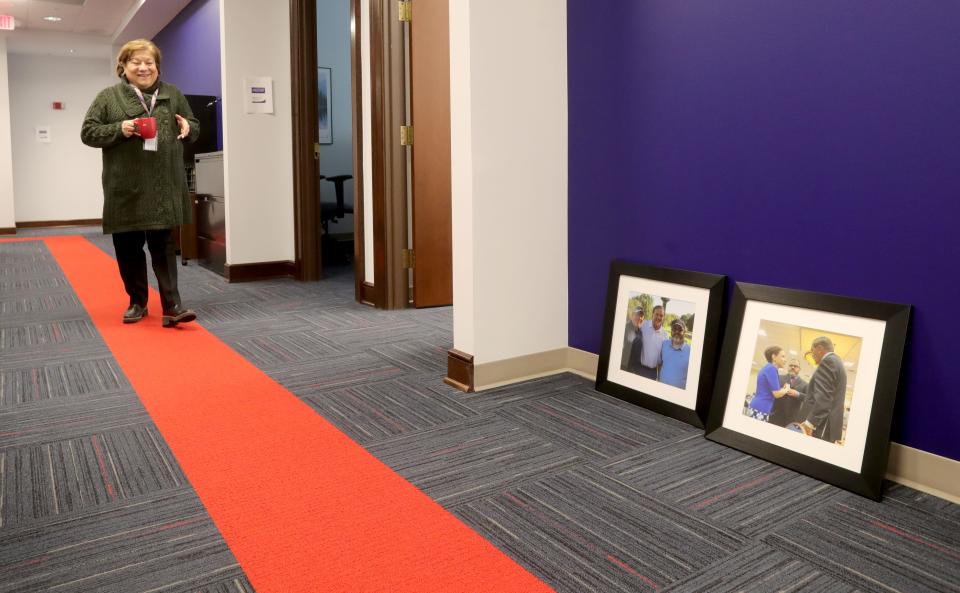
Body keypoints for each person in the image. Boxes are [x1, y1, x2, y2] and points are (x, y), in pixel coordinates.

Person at [81, 39, 200, 328]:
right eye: (137, 62)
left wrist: (188, 126)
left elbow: (193, 126)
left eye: (150, 62)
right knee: (128, 246)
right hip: (125, 186)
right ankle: (137, 302)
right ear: (123, 66)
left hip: (163, 183)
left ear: (157, 66)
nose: (144, 67)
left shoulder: (173, 93)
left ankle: (172, 305)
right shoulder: (108, 97)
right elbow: (88, 133)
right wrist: (119, 128)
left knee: (163, 244)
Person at [798, 337, 847, 443]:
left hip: (820, 427)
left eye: (812, 351)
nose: (812, 355)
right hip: (826, 426)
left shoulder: (828, 362)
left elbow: (823, 399)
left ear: (819, 348)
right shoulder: (836, 361)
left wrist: (809, 423)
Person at [746, 345, 793, 422]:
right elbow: (777, 394)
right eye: (783, 356)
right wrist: (787, 389)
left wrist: (783, 389)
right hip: (761, 408)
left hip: (758, 407)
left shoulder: (768, 368)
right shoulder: (771, 369)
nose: (785, 360)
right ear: (774, 357)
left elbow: (771, 391)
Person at [769, 358, 808, 427]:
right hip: (775, 417)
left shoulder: (805, 384)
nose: (792, 367)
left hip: (792, 420)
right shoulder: (779, 378)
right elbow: (771, 392)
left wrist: (798, 394)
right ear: (788, 367)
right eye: (790, 365)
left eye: (795, 366)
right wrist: (781, 390)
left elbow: (808, 399)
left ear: (799, 369)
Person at [637, 305, 668, 379]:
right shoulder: (643, 325)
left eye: (661, 315)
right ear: (652, 314)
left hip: (653, 373)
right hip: (639, 368)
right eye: (656, 314)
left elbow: (664, 357)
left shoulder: (665, 335)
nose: (658, 317)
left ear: (663, 318)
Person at [659, 319, 691, 389]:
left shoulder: (690, 351)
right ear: (671, 331)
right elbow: (660, 364)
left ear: (684, 332)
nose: (677, 332)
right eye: (674, 329)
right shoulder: (664, 344)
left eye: (680, 329)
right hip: (661, 389)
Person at [620, 306, 645, 371]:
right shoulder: (624, 328)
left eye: (641, 316)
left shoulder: (640, 332)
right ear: (632, 316)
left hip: (634, 369)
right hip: (623, 368)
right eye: (636, 315)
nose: (639, 318)